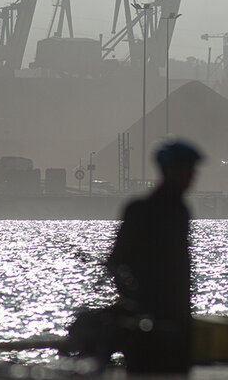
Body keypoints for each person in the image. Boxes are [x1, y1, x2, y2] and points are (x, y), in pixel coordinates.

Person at [68, 140, 202, 374]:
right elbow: (117, 260)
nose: (192, 176)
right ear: (170, 171)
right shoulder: (141, 210)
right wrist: (136, 298)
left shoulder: (181, 210)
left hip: (178, 315)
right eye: (187, 170)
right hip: (151, 318)